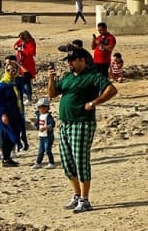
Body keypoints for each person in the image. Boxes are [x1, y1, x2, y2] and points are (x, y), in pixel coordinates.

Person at [47, 47, 118, 213]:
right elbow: (52, 94)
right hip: (65, 123)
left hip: (82, 123)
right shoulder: (67, 77)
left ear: (82, 60)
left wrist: (93, 103)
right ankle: (77, 195)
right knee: (67, 162)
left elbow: (111, 89)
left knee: (80, 161)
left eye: (72, 60)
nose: (70, 63)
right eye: (68, 61)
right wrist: (51, 79)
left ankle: (85, 200)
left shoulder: (92, 76)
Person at [0, 60, 24, 167]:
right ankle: (5, 158)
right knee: (8, 135)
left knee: (15, 134)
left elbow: (28, 74)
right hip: (5, 114)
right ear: (5, 71)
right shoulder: (1, 85)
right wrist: (3, 114)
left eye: (13, 70)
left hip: (15, 113)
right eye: (9, 70)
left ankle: (8, 158)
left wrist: (18, 64)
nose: (11, 72)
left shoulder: (16, 83)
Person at [32, 97, 56, 169]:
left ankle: (51, 163)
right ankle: (38, 162)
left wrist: (46, 127)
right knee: (41, 150)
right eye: (38, 107)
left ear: (46, 107)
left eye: (40, 107)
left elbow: (52, 124)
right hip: (41, 136)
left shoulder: (48, 116)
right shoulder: (40, 115)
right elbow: (37, 124)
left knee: (47, 149)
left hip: (48, 136)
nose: (39, 109)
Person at [14, 30, 37, 104]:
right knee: (22, 81)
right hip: (21, 64)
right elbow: (15, 45)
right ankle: (26, 96)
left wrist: (22, 50)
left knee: (27, 82)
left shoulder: (31, 42)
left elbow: (32, 52)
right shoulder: (21, 40)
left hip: (28, 64)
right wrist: (18, 48)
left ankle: (29, 97)